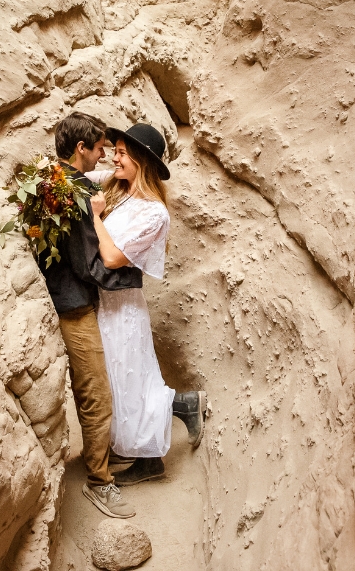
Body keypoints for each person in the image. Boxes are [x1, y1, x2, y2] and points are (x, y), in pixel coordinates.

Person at [87, 123, 205, 487]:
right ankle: (172, 419)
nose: (114, 157)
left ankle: (155, 453)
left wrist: (94, 215)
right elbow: (80, 174)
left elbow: (111, 257)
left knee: (131, 383)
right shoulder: (119, 189)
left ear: (140, 161)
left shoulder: (154, 214)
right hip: (104, 303)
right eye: (116, 151)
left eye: (122, 153)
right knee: (119, 383)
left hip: (123, 308)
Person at [40, 112, 141, 519]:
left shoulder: (50, 179)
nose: (103, 157)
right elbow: (88, 265)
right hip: (74, 305)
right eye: (99, 149)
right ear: (81, 148)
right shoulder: (77, 193)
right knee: (96, 394)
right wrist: (132, 274)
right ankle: (100, 481)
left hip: (51, 296)